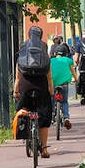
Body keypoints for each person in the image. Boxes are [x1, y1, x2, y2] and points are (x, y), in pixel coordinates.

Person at [13, 26, 54, 158]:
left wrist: (16, 89)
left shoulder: (24, 46)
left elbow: (18, 71)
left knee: (22, 107)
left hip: (25, 83)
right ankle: (44, 149)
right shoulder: (43, 47)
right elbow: (48, 72)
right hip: (41, 84)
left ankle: (24, 130)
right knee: (44, 115)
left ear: (29, 34)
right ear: (41, 35)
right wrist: (51, 90)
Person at [49, 44, 76, 130]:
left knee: (52, 99)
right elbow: (73, 72)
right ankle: (66, 117)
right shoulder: (67, 60)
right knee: (64, 101)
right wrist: (76, 80)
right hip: (64, 84)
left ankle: (52, 114)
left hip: (53, 84)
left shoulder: (50, 61)